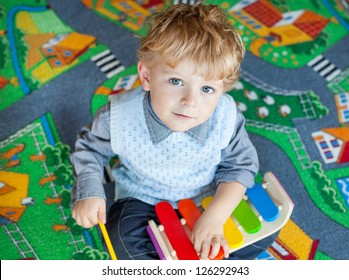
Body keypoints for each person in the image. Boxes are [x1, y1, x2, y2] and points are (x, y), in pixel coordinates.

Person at [71, 2, 276, 260]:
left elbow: (241, 167)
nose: (190, 101)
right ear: (146, 76)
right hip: (143, 197)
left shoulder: (226, 117)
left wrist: (214, 218)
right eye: (176, 81)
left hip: (208, 195)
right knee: (119, 238)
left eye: (207, 89)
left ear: (222, 89)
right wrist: (89, 191)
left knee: (265, 228)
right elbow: (89, 148)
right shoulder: (120, 116)